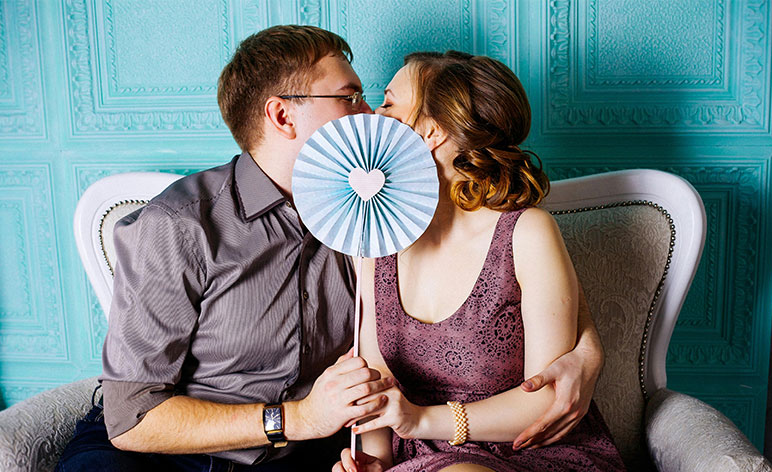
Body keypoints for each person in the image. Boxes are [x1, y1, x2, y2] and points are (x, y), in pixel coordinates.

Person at [55, 25, 604, 471]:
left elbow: (505, 284)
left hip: (298, 457)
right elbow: (131, 418)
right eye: (350, 97)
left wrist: (588, 350)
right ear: (282, 115)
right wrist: (300, 419)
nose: (367, 114)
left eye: (375, 100)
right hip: (163, 456)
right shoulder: (180, 225)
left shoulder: (376, 216)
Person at [333, 52, 626, 472]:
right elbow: (376, 376)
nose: (375, 115)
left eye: (389, 104)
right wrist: (375, 461)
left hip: (528, 451)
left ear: (431, 131)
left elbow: (547, 397)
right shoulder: (375, 239)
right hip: (419, 458)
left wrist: (421, 420)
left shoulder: (526, 233)